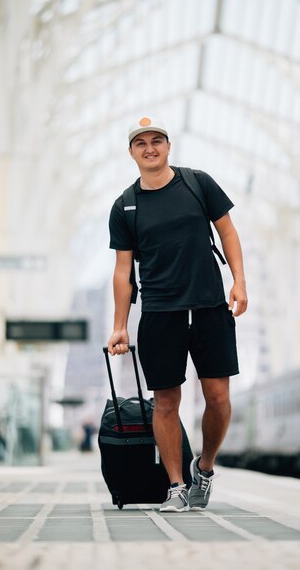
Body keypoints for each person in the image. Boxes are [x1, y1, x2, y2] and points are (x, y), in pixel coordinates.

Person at [107, 116, 248, 512]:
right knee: (165, 401)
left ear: (168, 146)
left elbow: (228, 231)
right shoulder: (125, 205)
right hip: (159, 312)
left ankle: (203, 469)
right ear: (132, 152)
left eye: (157, 141)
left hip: (208, 307)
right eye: (141, 143)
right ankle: (175, 487)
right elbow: (122, 271)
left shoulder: (196, 183)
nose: (149, 148)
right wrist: (120, 326)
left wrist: (239, 281)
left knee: (218, 398)